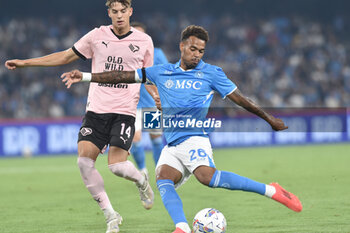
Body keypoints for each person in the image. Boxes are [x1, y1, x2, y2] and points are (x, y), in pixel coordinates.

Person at [61, 25, 303, 233]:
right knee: (163, 178)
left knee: (206, 177)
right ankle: (182, 227)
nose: (197, 54)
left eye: (201, 51)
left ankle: (272, 191)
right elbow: (121, 75)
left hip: (195, 138)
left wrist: (269, 118)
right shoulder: (161, 71)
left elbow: (240, 99)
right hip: (173, 144)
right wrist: (84, 76)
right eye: (193, 49)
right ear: (182, 46)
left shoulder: (211, 73)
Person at [5, 1, 155, 232]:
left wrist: (157, 97)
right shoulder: (97, 35)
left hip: (124, 112)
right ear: (109, 13)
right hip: (96, 110)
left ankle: (142, 181)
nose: (119, 16)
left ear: (130, 11)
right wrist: (25, 63)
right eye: (114, 12)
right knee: (84, 163)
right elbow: (65, 56)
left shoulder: (144, 41)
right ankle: (110, 215)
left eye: (123, 11)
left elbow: (149, 76)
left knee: (116, 167)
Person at [130, 21, 168, 176]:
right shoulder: (124, 53)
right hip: (132, 104)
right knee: (135, 138)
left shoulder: (156, 53)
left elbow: (166, 75)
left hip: (151, 103)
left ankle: (159, 172)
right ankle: (142, 171)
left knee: (156, 139)